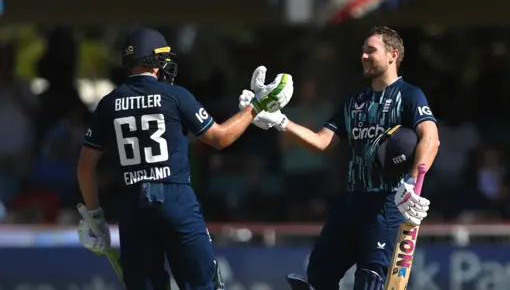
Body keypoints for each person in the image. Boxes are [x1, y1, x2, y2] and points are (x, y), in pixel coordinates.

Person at [76, 27, 293, 290]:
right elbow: (220, 138)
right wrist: (255, 107)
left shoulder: (108, 103)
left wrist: (94, 214)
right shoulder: (175, 95)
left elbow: (86, 166)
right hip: (175, 199)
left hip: (133, 207)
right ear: (154, 61)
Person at [240, 26, 439, 290]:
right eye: (362, 52)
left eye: (371, 50)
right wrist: (280, 121)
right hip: (352, 201)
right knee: (318, 274)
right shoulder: (354, 101)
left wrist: (413, 183)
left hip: (389, 204)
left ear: (393, 55)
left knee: (371, 281)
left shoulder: (410, 95)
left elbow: (431, 138)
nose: (364, 56)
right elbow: (322, 141)